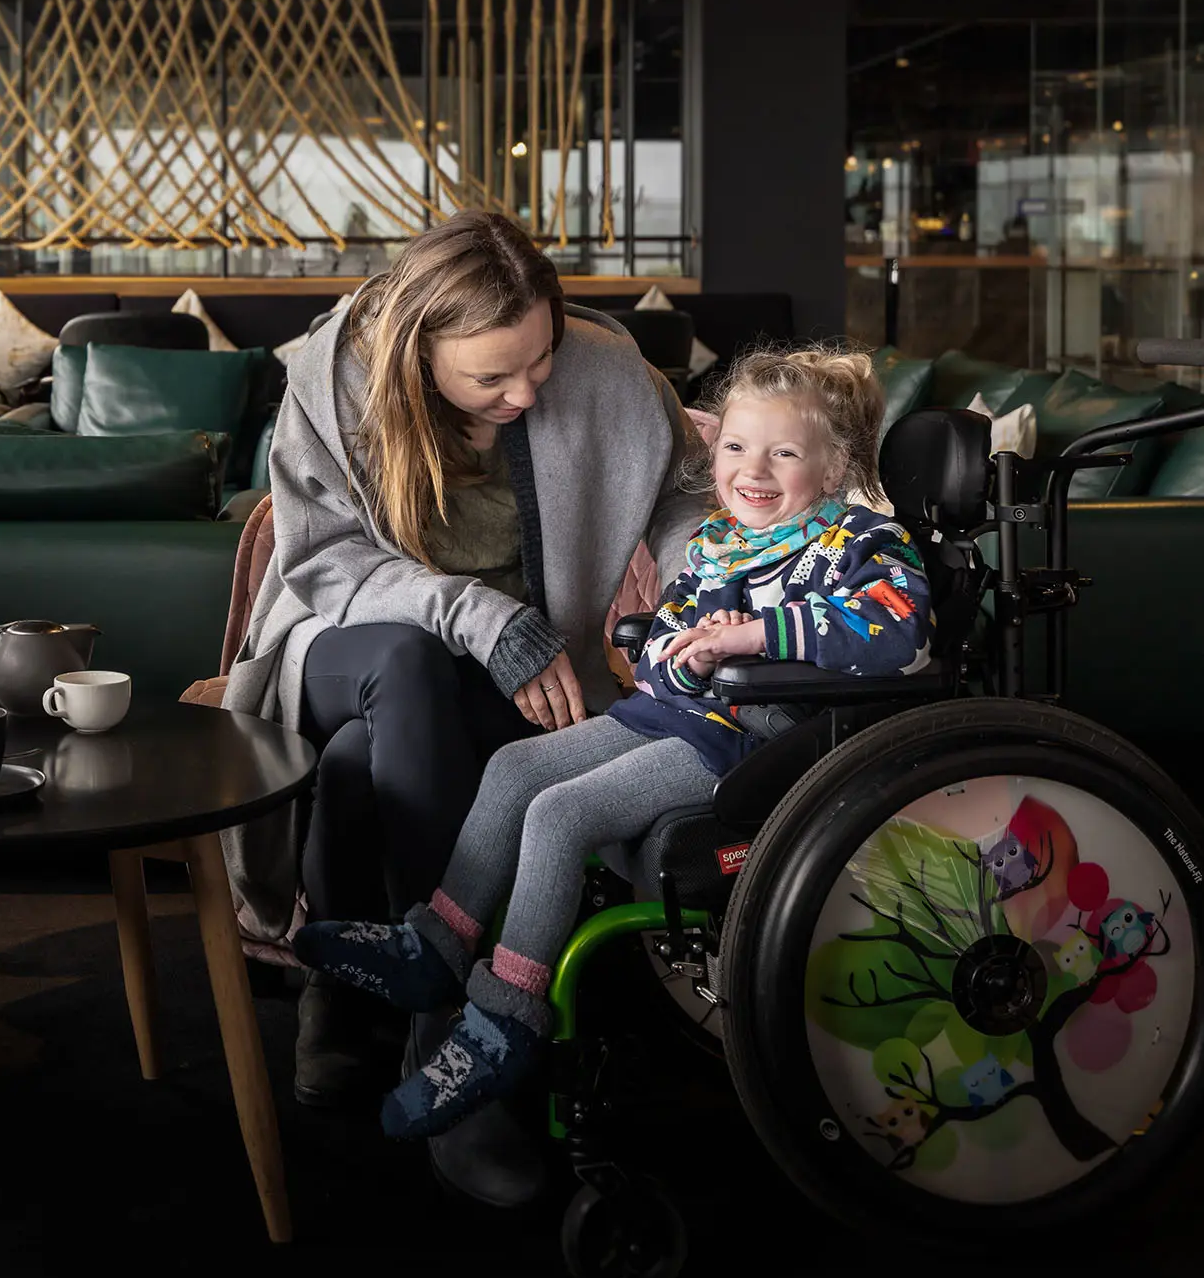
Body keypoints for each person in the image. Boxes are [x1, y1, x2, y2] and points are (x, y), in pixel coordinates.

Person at [295, 346, 934, 1142]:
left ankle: (505, 1022)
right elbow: (672, 619)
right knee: (514, 767)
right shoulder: (724, 541)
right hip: (669, 715)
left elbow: (898, 635)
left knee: (562, 815)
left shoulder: (856, 542)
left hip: (750, 742)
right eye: (735, 447)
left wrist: (752, 634)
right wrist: (673, 643)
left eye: (785, 452)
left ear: (834, 466)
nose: (752, 469)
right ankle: (438, 945)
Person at [220, 213, 706, 1194]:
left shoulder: (607, 371)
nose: (527, 391)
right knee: (409, 667)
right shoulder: (335, 376)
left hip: (505, 668)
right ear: (417, 351)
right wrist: (474, 614)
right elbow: (324, 563)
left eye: (541, 359)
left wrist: (705, 600)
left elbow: (690, 496)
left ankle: (361, 1002)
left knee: (375, 757)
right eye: (493, 379)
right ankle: (450, 1035)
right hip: (345, 639)